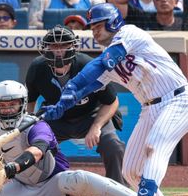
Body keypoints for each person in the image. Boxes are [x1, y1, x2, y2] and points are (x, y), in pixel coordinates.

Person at [41, 5, 188, 196]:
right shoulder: (109, 57)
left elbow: (101, 64)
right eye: (91, 27)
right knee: (130, 168)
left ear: (113, 21)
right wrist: (62, 104)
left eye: (98, 24)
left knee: (154, 148)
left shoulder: (129, 34)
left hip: (177, 100)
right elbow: (89, 87)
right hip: (150, 107)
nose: (94, 31)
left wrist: (72, 85)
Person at [0, 80, 137, 196]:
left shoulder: (36, 125)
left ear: (22, 104)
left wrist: (12, 168)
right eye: (3, 105)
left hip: (55, 186)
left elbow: (37, 151)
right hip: (23, 187)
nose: (8, 109)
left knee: (78, 178)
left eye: (13, 104)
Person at [25, 26, 127, 186]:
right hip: (55, 118)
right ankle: (38, 188)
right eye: (53, 45)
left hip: (91, 116)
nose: (58, 50)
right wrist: (28, 128)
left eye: (63, 45)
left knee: (113, 145)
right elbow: (30, 102)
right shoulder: (37, 68)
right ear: (45, 48)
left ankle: (118, 192)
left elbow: (112, 101)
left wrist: (96, 127)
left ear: (72, 46)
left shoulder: (88, 65)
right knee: (31, 143)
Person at [109, 0, 184, 31]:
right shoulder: (142, 19)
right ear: (154, 2)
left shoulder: (183, 24)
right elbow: (113, 0)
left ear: (176, 2)